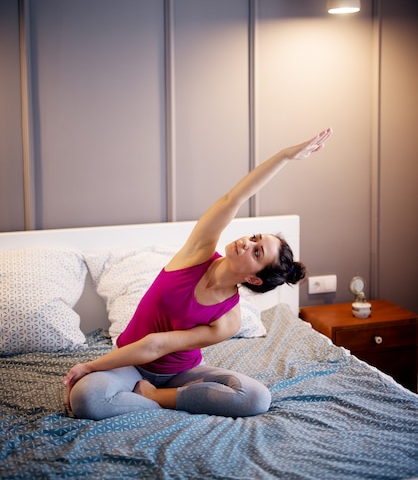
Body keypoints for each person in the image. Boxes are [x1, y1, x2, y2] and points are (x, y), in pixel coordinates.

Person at [63, 127, 333, 420]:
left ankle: (154, 398)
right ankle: (162, 400)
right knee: (86, 399)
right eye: (254, 238)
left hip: (181, 374)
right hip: (131, 362)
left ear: (254, 279)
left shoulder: (229, 320)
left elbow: (160, 344)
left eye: (256, 253)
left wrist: (90, 367)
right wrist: (283, 156)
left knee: (256, 399)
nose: (247, 242)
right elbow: (233, 199)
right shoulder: (198, 253)